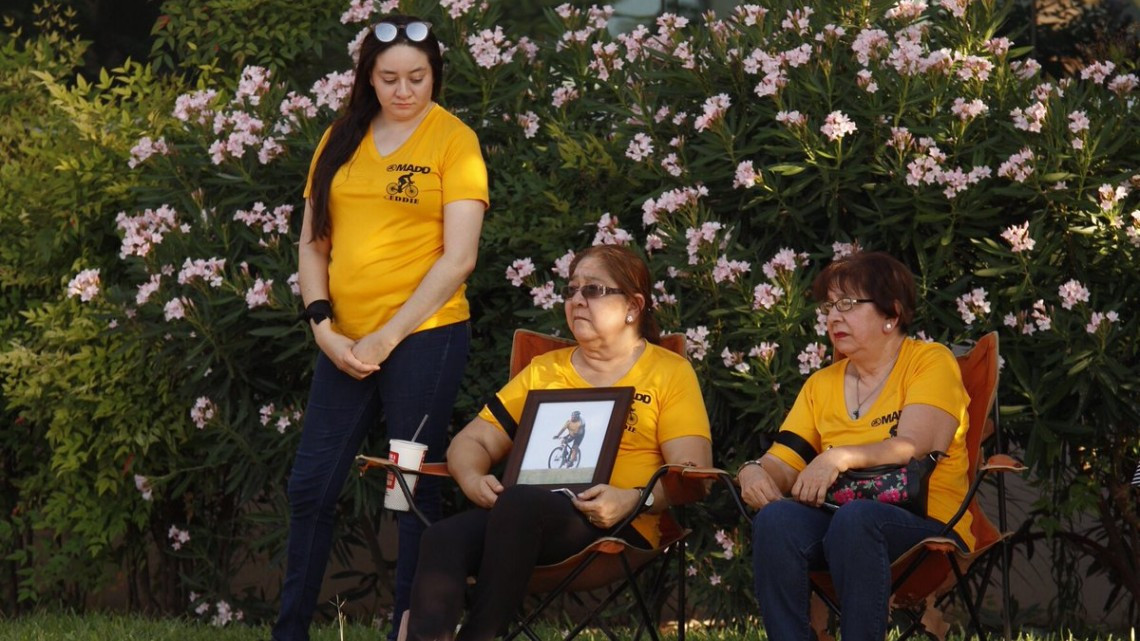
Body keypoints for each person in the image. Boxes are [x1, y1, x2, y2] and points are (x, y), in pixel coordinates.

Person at [275, 15, 489, 641]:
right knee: (310, 486)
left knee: (411, 488)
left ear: (435, 77)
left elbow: (460, 258)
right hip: (342, 341)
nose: (403, 91)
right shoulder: (339, 137)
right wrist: (323, 327)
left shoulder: (455, 142)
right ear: (368, 78)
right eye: (389, 78)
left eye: (417, 78)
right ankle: (289, 631)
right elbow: (312, 244)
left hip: (424, 339)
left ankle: (413, 630)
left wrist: (386, 338)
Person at [403, 245, 713, 641]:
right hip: (522, 519)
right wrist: (472, 478)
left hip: (616, 525)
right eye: (571, 290)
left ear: (634, 305)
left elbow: (694, 473)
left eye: (594, 290)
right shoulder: (545, 370)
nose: (577, 300)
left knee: (519, 503)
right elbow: (473, 440)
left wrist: (633, 499)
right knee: (442, 537)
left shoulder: (668, 372)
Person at [738, 251, 975, 641]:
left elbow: (914, 447)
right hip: (840, 518)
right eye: (829, 306)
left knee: (857, 519)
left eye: (848, 304)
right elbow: (783, 460)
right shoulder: (822, 384)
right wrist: (753, 471)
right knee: (776, 520)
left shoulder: (929, 362)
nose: (833, 317)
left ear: (891, 315)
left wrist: (840, 456)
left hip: (927, 518)